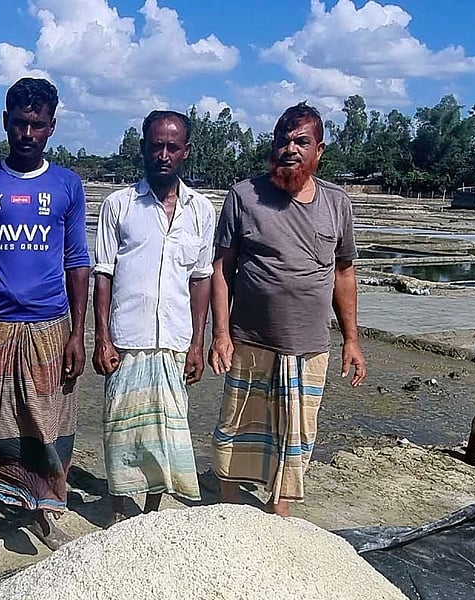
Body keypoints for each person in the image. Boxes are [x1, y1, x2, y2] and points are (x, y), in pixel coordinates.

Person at [0, 77, 91, 566]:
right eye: (19, 123)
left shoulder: (67, 185)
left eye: (37, 124)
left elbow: (77, 260)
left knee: (50, 421)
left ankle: (43, 511)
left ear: (51, 127)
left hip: (51, 326)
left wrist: (78, 334)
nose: (27, 133)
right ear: (5, 122)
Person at [208, 102, 367, 517]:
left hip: (309, 345)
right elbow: (222, 268)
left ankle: (280, 509)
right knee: (239, 425)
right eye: (283, 141)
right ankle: (230, 507)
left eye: (301, 141)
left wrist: (351, 340)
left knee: (296, 432)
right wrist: (220, 334)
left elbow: (344, 273)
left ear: (319, 151)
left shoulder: (337, 203)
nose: (290, 149)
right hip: (250, 340)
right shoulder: (244, 196)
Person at [92, 110, 215, 524]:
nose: (163, 155)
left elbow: (201, 279)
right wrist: (102, 338)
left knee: (166, 432)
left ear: (186, 151)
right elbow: (103, 274)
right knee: (122, 431)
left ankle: (152, 513)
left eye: (172, 147)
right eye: (156, 146)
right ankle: (118, 511)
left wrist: (198, 343)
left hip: (174, 341)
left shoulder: (201, 210)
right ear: (143, 148)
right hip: (127, 339)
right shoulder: (119, 205)